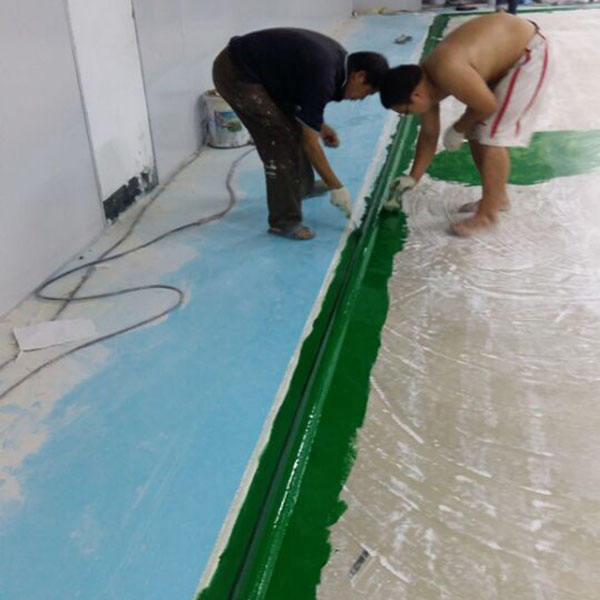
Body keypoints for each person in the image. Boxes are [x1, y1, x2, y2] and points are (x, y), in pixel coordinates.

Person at [379, 12, 550, 236]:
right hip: (505, 57)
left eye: (406, 111)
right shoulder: (423, 83)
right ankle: (497, 198)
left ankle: (488, 215)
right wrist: (412, 178)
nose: (408, 116)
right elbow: (429, 136)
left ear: (416, 96)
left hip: (528, 53)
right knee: (476, 131)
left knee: (491, 134)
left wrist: (458, 127)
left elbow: (487, 105)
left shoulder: (447, 70)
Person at [213, 28, 389, 240]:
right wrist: (337, 186)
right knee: (280, 141)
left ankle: (302, 187)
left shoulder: (339, 66)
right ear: (359, 76)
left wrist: (320, 126)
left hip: (256, 71)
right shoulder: (326, 75)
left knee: (295, 128)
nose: (362, 98)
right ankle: (284, 221)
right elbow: (310, 144)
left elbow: (304, 99)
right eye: (367, 92)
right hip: (236, 72)